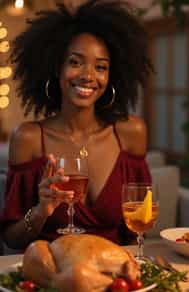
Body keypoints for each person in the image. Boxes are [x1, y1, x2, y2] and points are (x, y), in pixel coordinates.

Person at [0, 0, 152, 250]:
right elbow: (12, 238)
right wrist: (40, 211)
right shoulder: (28, 138)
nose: (88, 75)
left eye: (100, 67)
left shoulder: (130, 134)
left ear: (111, 76)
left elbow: (136, 230)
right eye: (75, 62)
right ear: (56, 68)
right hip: (53, 275)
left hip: (113, 277)